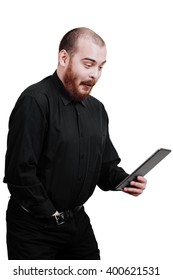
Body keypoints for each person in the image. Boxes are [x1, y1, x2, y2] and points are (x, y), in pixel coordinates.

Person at [3, 27, 147, 260]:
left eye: (101, 67)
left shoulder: (97, 109)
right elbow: (19, 173)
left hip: (78, 226)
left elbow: (103, 167)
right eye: (88, 64)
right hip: (33, 230)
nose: (95, 74)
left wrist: (126, 180)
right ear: (63, 58)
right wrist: (52, 215)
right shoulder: (34, 101)